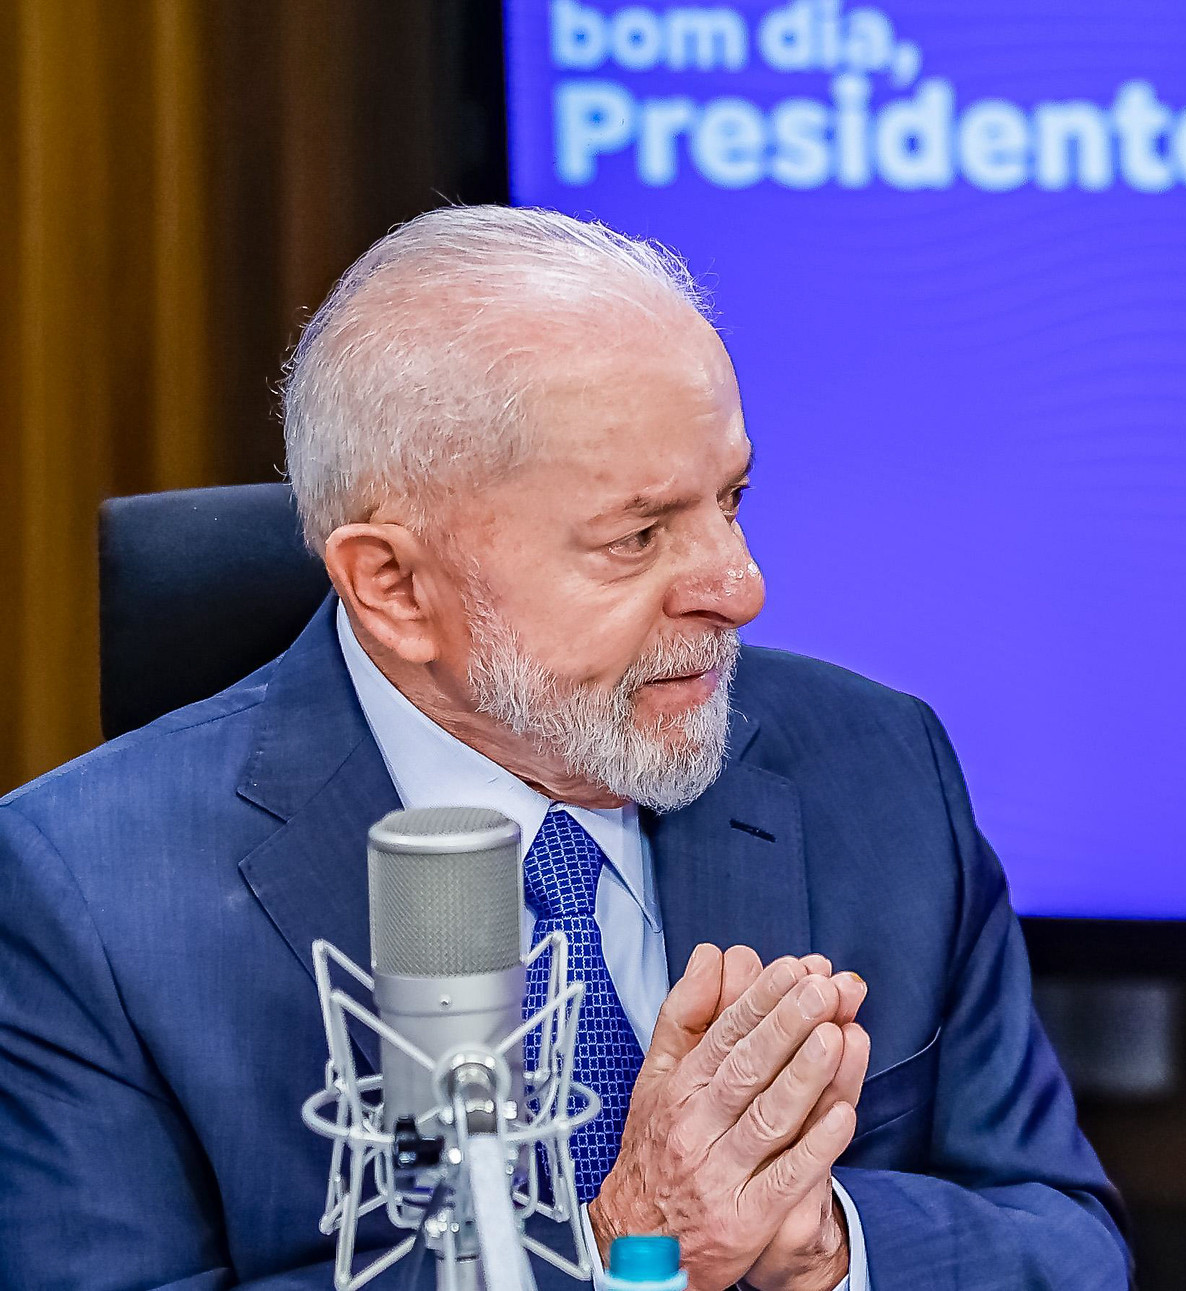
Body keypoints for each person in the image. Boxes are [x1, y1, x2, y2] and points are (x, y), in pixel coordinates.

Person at [0, 206, 1128, 1290]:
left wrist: (823, 1245)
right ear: (393, 585)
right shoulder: (82, 902)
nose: (741, 587)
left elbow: (1069, 1250)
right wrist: (622, 1242)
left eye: (731, 500)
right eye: (637, 537)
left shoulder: (876, 767)